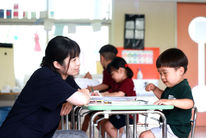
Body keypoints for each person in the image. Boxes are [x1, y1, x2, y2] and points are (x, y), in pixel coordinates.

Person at [0, 36, 90, 138]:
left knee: (80, 135)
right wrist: (84, 92)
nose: (78, 63)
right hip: (18, 134)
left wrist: (70, 101)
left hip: (40, 134)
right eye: (73, 60)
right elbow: (82, 99)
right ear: (57, 64)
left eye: (78, 57)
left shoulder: (66, 77)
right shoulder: (46, 76)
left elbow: (78, 94)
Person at [140, 48, 194, 138]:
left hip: (176, 130)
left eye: (165, 73)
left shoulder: (183, 86)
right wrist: (155, 89)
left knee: (145, 136)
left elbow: (189, 103)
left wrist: (171, 102)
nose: (162, 77)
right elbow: (163, 97)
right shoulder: (171, 87)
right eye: (160, 73)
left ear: (180, 71)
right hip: (168, 126)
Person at [94, 57, 136, 138]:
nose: (112, 77)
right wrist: (97, 95)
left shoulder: (128, 82)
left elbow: (120, 94)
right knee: (98, 120)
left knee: (108, 125)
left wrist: (101, 96)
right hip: (117, 112)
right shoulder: (116, 83)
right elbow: (109, 92)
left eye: (112, 74)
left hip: (127, 114)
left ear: (120, 70)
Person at [81, 44, 118, 132]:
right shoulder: (115, 67)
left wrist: (92, 88)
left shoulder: (107, 69)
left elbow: (106, 85)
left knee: (92, 118)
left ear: (101, 57)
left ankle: (80, 134)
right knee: (91, 118)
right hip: (111, 99)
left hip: (109, 99)